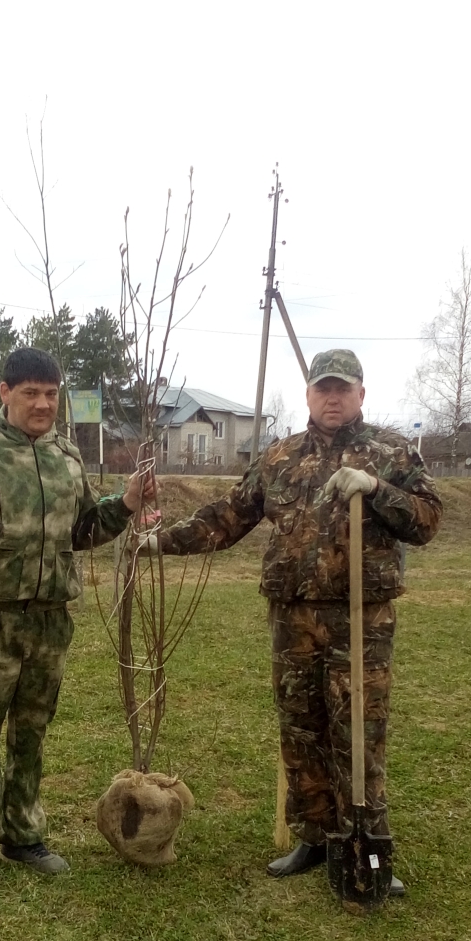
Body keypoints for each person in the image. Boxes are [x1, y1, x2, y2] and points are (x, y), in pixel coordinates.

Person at [153, 349, 442, 894]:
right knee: (300, 727)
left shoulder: (391, 452)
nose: (332, 398)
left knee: (359, 729)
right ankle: (314, 834)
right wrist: (161, 541)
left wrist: (379, 490)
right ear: (309, 395)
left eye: (343, 389)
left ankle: (367, 842)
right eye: (322, 389)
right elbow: (230, 516)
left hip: (360, 617)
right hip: (293, 617)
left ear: (361, 393)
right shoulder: (280, 457)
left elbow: (426, 521)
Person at [0, 347, 153, 893]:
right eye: (30, 393)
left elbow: (83, 530)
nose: (43, 404)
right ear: (5, 393)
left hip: (49, 620)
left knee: (31, 733)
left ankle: (23, 835)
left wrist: (128, 502)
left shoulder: (66, 457)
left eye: (50, 394)